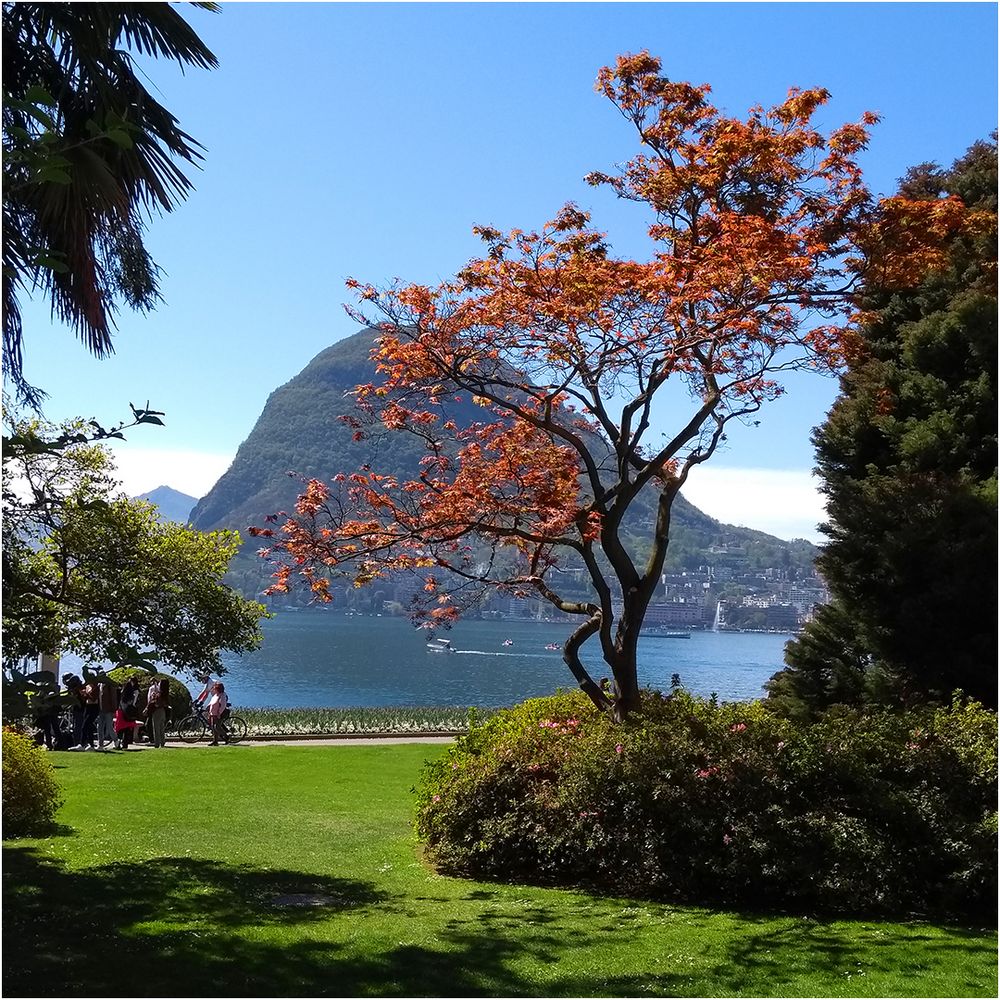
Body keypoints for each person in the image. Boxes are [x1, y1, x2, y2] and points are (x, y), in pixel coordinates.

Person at [115, 676, 142, 750]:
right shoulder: (132, 695)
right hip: (129, 712)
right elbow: (134, 703)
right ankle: (125, 744)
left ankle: (118, 743)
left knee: (120, 728)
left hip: (121, 712)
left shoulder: (122, 694)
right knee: (127, 729)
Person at [95, 670, 120, 750]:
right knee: (100, 727)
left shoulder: (109, 685)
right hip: (101, 710)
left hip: (108, 710)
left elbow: (113, 698)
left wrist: (113, 709)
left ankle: (116, 740)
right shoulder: (99, 685)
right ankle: (100, 744)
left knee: (109, 727)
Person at [145, 678, 169, 748]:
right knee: (161, 728)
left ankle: (157, 743)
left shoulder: (159, 694)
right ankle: (162, 742)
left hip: (157, 711)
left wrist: (153, 698)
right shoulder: (165, 693)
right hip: (163, 711)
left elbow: (156, 704)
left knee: (156, 728)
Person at [206, 681, 229, 746]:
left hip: (219, 714)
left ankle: (226, 736)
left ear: (218, 688)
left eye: (215, 688)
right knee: (213, 727)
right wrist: (208, 708)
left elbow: (223, 705)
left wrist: (219, 713)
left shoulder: (222, 695)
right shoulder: (215, 695)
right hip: (213, 713)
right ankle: (215, 741)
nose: (213, 688)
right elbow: (211, 702)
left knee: (217, 727)